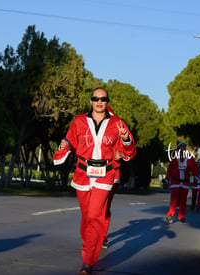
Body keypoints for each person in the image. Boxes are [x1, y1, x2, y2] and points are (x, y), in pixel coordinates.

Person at [53, 87, 135, 275]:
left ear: (108, 102)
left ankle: (88, 261)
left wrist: (126, 139)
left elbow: (129, 150)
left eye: (103, 99)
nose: (99, 102)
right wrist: (64, 148)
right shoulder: (79, 121)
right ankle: (89, 245)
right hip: (83, 173)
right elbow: (69, 141)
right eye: (96, 98)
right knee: (86, 218)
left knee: (95, 216)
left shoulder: (117, 123)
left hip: (105, 173)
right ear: (91, 101)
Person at [101, 106, 136, 249]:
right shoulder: (91, 129)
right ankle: (91, 234)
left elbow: (131, 150)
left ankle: (102, 236)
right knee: (92, 208)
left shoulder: (118, 130)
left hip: (112, 173)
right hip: (92, 173)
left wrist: (121, 155)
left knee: (104, 206)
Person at [164, 141, 199, 224]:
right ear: (178, 148)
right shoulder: (174, 158)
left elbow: (195, 168)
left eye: (184, 146)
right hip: (175, 181)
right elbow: (170, 169)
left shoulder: (189, 158)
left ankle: (181, 216)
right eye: (181, 146)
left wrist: (196, 176)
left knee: (183, 200)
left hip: (185, 183)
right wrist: (167, 179)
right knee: (174, 200)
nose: (182, 148)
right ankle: (170, 215)